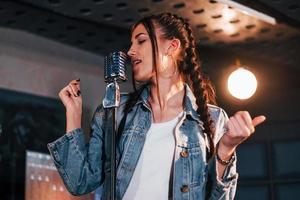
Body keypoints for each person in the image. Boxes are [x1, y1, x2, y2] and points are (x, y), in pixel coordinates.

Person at [47, 12, 266, 200]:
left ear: (172, 47)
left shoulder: (212, 119)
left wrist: (226, 149)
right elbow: (80, 182)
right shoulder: (114, 111)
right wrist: (73, 114)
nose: (130, 51)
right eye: (131, 43)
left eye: (141, 41)